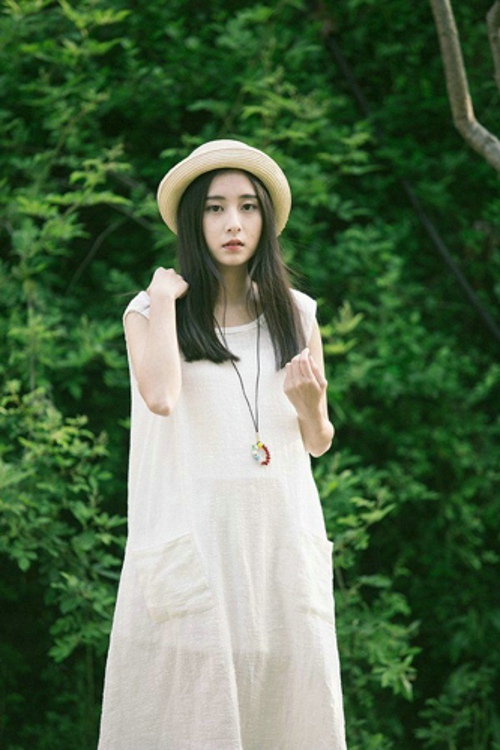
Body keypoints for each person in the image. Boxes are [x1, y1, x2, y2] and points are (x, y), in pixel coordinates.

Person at [98, 139, 347, 749]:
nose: (233, 223)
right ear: (193, 220)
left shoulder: (298, 314)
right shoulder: (151, 312)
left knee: (286, 718)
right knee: (191, 722)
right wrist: (163, 298)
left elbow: (318, 441)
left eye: (247, 206)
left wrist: (311, 405)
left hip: (276, 549)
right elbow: (161, 396)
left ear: (265, 218)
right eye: (215, 208)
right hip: (196, 550)